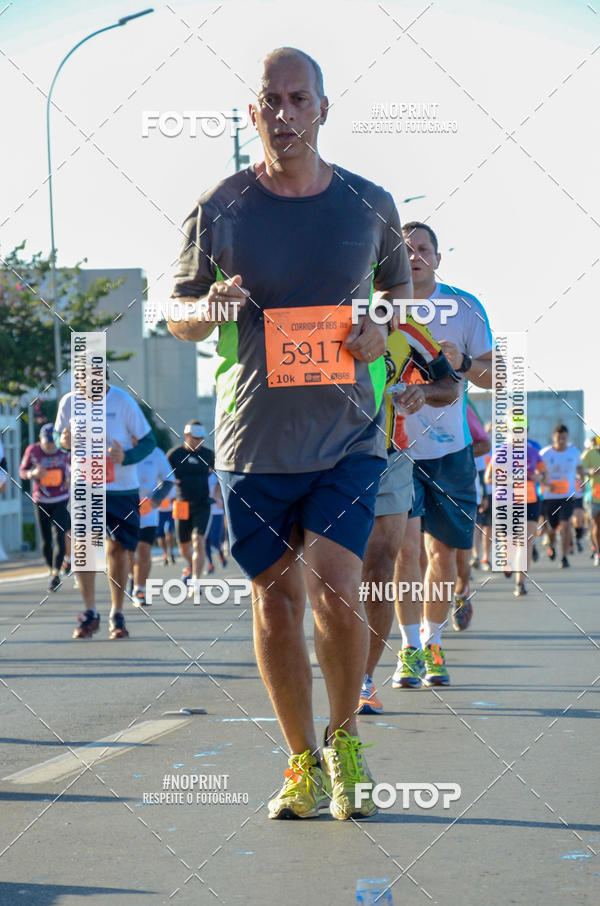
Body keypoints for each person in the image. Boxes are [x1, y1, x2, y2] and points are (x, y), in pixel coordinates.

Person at [167, 47, 413, 820]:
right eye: (269, 100)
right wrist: (212, 307)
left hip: (347, 435)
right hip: (252, 441)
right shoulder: (220, 206)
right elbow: (177, 314)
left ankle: (344, 745)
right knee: (274, 604)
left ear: (322, 109)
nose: (284, 113)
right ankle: (300, 761)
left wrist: (381, 327)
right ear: (253, 114)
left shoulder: (370, 204)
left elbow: (399, 293)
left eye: (298, 98)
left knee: (337, 588)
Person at [393, 222, 493, 688]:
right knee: (406, 551)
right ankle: (410, 648)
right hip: (395, 449)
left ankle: (434, 642)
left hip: (450, 450)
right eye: (404, 249)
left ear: (437, 256)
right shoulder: (376, 306)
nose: (413, 256)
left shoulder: (465, 307)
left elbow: (497, 373)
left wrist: (464, 364)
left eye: (422, 249)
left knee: (444, 555)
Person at [358, 315, 459, 712]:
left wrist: (422, 392)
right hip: (323, 459)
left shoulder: (408, 325)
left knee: (382, 566)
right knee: (332, 574)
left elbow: (450, 385)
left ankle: (363, 680)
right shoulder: (320, 301)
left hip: (389, 456)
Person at [55, 373, 156, 639]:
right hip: (84, 485)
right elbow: (59, 436)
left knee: (117, 551)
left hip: (121, 488)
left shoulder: (123, 402)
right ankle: (90, 611)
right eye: (77, 379)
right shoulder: (68, 402)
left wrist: (127, 456)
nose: (81, 385)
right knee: (83, 545)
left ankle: (116, 611)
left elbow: (149, 441)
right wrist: (62, 443)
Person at [451, 402, 491, 631]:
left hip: (462, 487)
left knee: (459, 558)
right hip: (419, 484)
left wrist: (453, 455)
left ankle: (461, 592)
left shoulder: (461, 401)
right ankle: (426, 627)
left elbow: (483, 445)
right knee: (425, 556)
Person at [19, 423, 71, 591]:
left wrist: (71, 478)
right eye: (46, 441)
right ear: (40, 439)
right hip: (41, 500)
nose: (50, 445)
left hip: (61, 498)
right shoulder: (32, 451)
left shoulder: (64, 450)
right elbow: (22, 471)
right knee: (46, 540)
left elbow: (76, 466)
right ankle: (51, 569)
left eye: (52, 442)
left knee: (60, 536)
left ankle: (56, 573)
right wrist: (32, 474)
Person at [167, 422, 214, 597]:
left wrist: (218, 493)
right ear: (187, 436)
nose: (199, 441)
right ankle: (190, 566)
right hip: (181, 504)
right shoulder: (174, 455)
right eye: (196, 438)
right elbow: (162, 475)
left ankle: (195, 581)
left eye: (201, 438)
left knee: (198, 541)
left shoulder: (208, 454)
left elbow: (220, 473)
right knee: (183, 548)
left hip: (202, 504)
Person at [127, 446, 173, 606]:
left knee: (144, 549)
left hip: (148, 510)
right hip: (125, 508)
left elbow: (169, 479)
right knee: (128, 552)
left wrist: (158, 498)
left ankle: (139, 589)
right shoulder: (119, 447)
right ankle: (132, 576)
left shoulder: (155, 452)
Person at [540, 425, 583, 569]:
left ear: (567, 437)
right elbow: (538, 472)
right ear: (554, 437)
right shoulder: (545, 453)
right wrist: (545, 483)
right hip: (550, 496)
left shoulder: (574, 452)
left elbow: (580, 467)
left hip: (568, 495)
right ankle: (551, 543)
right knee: (552, 528)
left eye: (564, 438)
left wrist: (581, 479)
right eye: (559, 438)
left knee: (566, 525)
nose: (562, 441)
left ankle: (564, 557)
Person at [581, 436, 600, 566]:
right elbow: (578, 469)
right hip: (594, 496)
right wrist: (590, 471)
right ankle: (598, 552)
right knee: (597, 526)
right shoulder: (589, 453)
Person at [205, 472, 228, 574]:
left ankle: (222, 557)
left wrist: (216, 496)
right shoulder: (201, 474)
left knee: (214, 540)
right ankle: (210, 565)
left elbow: (220, 489)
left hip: (217, 512)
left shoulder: (217, 475)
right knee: (205, 540)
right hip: (205, 512)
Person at [156, 485, 177, 567]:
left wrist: (174, 499)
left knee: (168, 531)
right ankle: (165, 554)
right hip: (159, 512)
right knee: (160, 535)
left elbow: (177, 495)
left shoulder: (171, 482)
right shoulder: (155, 483)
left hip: (170, 511)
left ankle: (171, 553)